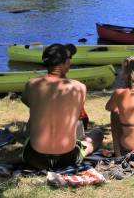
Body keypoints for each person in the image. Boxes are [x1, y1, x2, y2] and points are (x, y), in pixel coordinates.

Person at [21, 43, 103, 171]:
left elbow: (27, 101)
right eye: (70, 59)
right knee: (97, 134)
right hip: (66, 159)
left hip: (35, 159)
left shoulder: (32, 84)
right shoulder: (79, 87)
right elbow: (77, 111)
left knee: (32, 122)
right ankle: (85, 147)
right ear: (65, 62)